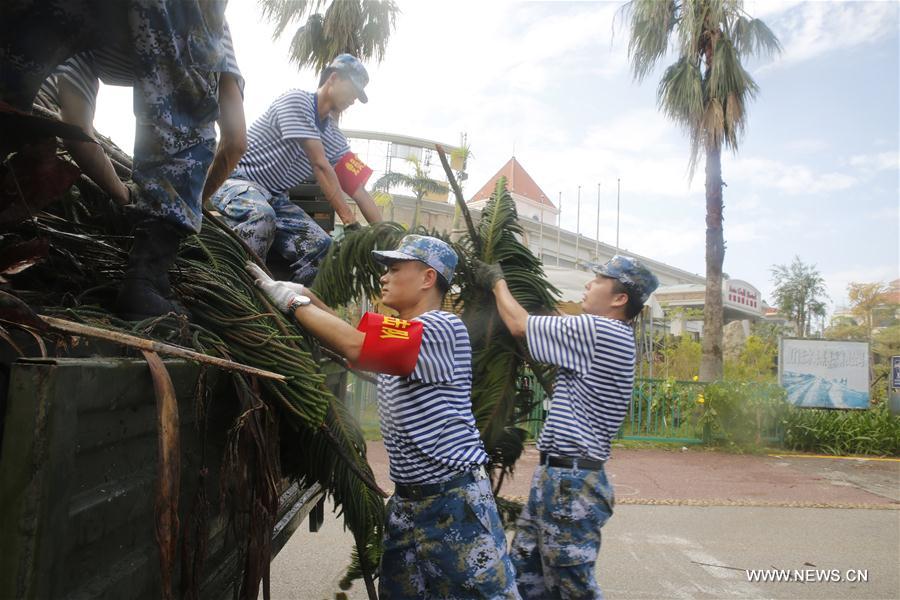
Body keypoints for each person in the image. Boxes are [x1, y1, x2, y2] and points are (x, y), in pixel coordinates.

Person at [247, 235, 518, 598]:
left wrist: (292, 302)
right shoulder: (404, 335)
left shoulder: (441, 327)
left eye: (394, 268)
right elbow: (352, 336)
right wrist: (307, 296)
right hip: (408, 501)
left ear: (428, 278)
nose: (383, 277)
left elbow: (355, 345)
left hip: (453, 500)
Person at [0, 0, 233, 319]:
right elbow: (233, 139)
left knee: (8, 86)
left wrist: (122, 196)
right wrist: (171, 216)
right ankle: (146, 281)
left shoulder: (80, 32)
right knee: (189, 104)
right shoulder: (206, 26)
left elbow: (76, 130)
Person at [475, 255, 659, 599]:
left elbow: (520, 325)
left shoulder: (599, 331)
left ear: (620, 298)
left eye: (599, 280)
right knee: (527, 578)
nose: (588, 285)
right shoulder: (603, 333)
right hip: (558, 476)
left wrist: (497, 282)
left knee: (573, 586)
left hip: (572, 482)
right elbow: (549, 324)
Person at [211, 54, 382, 285]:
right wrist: (350, 222)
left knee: (323, 248)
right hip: (238, 182)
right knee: (261, 216)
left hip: (275, 199)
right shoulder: (297, 101)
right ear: (333, 78)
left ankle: (285, 300)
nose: (354, 99)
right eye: (353, 89)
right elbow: (320, 164)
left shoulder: (334, 137)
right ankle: (238, 289)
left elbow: (359, 190)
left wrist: (387, 235)